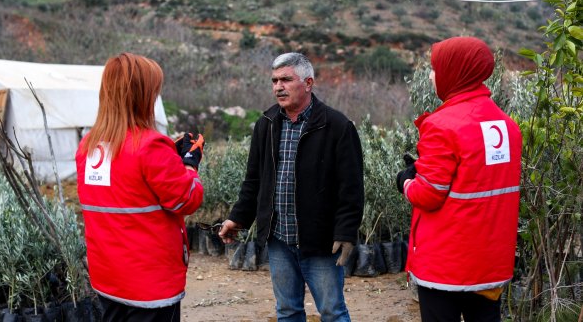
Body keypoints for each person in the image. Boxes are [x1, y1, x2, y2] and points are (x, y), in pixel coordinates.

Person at [219, 52, 364, 322]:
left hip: (321, 241)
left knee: (332, 312)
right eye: (274, 81)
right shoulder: (266, 123)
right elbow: (254, 180)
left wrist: (346, 232)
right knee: (287, 311)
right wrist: (237, 219)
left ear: (308, 83)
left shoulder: (337, 126)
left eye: (286, 79)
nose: (278, 87)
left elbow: (352, 188)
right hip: (279, 239)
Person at [396, 37, 522, 322]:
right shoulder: (506, 126)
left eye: (434, 68)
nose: (430, 76)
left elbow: (427, 195)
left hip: (447, 266)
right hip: (489, 264)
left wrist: (406, 181)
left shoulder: (443, 125)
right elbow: (476, 180)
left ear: (455, 71)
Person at [75, 52, 204, 322]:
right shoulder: (150, 145)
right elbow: (186, 200)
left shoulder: (89, 147)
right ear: (140, 95)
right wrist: (190, 165)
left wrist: (170, 156)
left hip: (110, 276)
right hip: (150, 283)